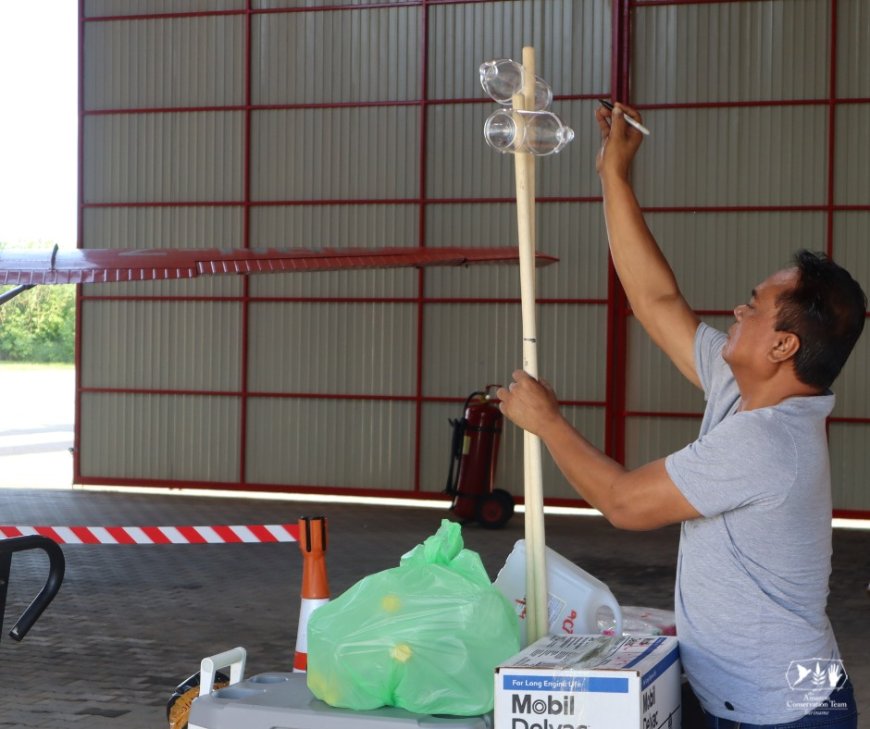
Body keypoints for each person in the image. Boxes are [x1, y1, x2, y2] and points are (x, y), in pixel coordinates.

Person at [496, 102, 865, 728]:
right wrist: (613, 175)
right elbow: (655, 298)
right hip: (737, 696)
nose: (737, 311)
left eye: (754, 306)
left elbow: (625, 504)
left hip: (784, 713)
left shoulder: (768, 440)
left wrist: (548, 421)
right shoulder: (742, 386)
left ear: (784, 347)